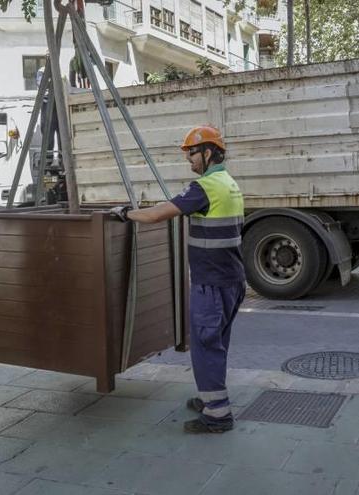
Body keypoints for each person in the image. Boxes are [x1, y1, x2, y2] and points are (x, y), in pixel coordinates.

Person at [110, 125, 245, 433]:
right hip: (232, 279)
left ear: (208, 153)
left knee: (205, 345)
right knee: (217, 343)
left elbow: (158, 214)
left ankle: (218, 415)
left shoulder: (205, 187)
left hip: (211, 282)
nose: (190, 160)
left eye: (192, 153)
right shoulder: (229, 183)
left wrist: (127, 213)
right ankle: (212, 398)